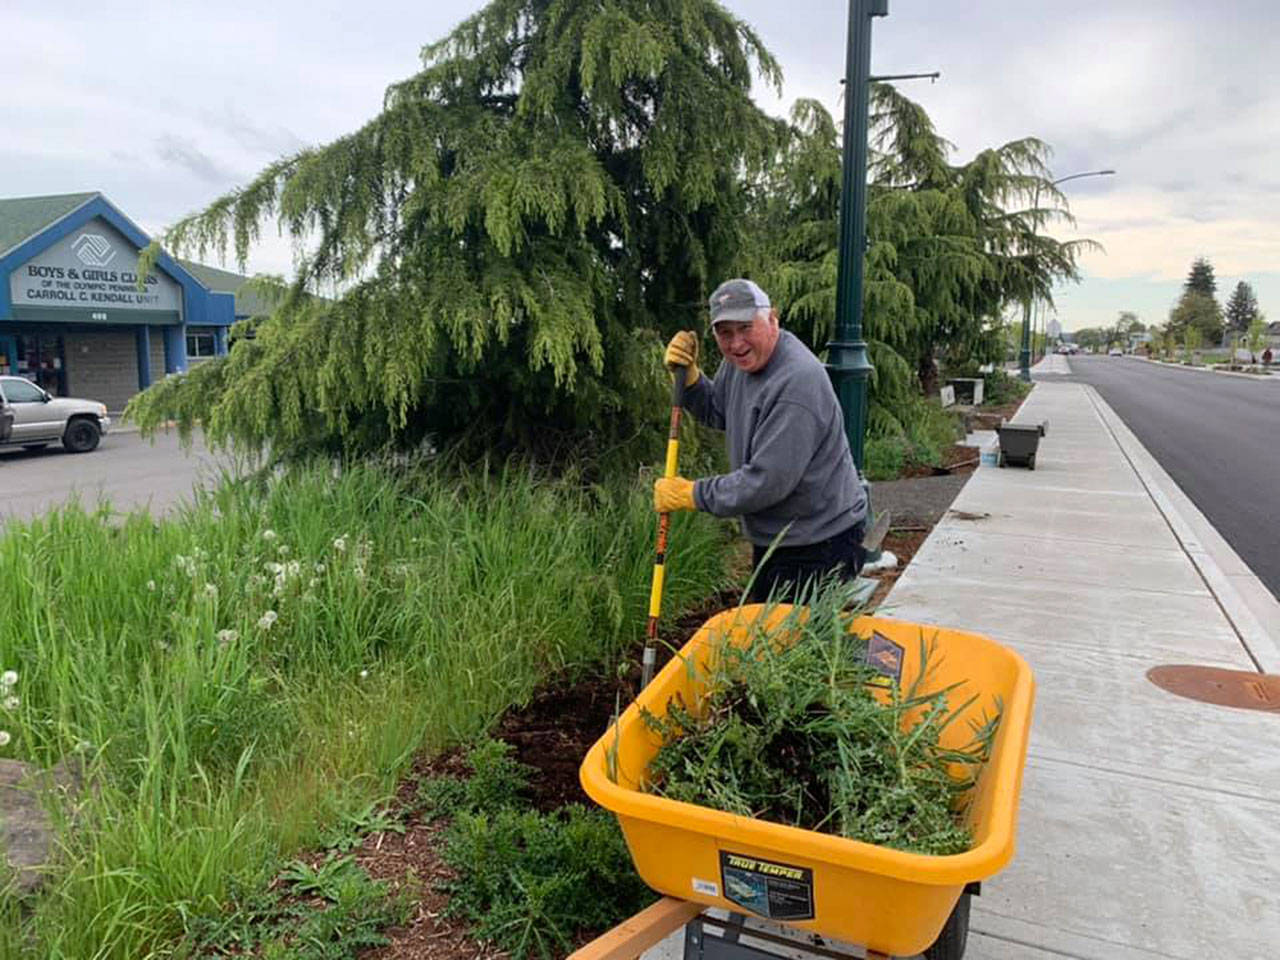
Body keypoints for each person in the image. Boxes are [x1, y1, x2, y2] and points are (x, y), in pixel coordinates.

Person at [654, 278, 868, 603]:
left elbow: (767, 482)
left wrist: (693, 494)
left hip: (821, 541)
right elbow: (719, 410)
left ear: (772, 319)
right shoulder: (740, 363)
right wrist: (692, 382)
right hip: (781, 534)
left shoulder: (797, 382)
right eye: (725, 332)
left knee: (794, 634)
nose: (736, 343)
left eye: (745, 328)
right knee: (769, 627)